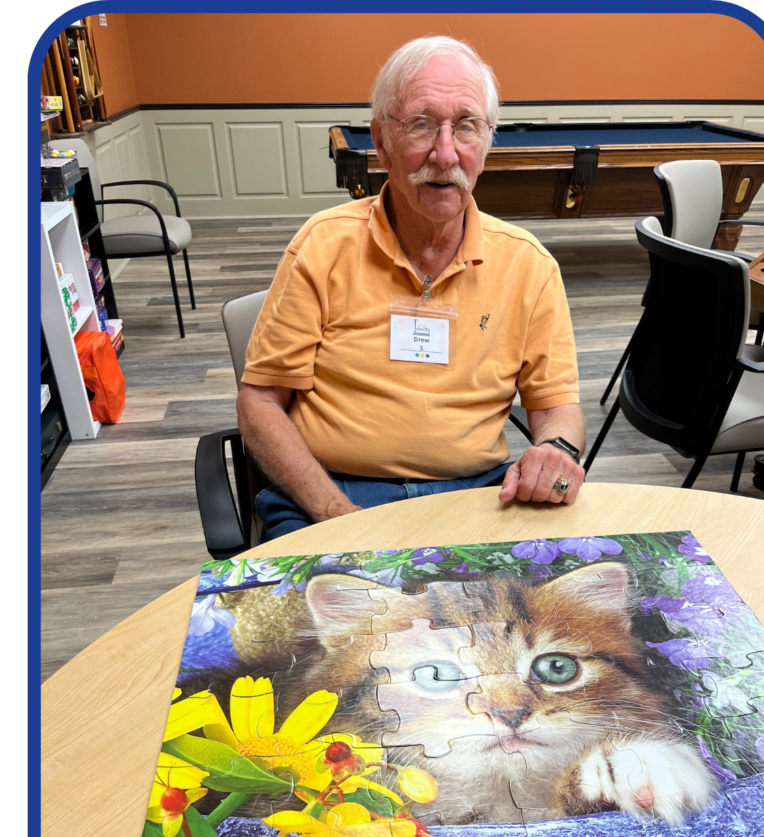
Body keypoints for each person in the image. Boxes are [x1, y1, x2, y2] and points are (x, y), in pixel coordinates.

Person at [237, 36, 585, 541]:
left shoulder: (530, 265)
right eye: (421, 125)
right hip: (333, 493)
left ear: (486, 143)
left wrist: (557, 449)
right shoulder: (322, 245)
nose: (445, 155)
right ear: (382, 142)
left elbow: (555, 406)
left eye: (466, 126)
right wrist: (334, 510)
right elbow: (260, 401)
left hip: (477, 495)